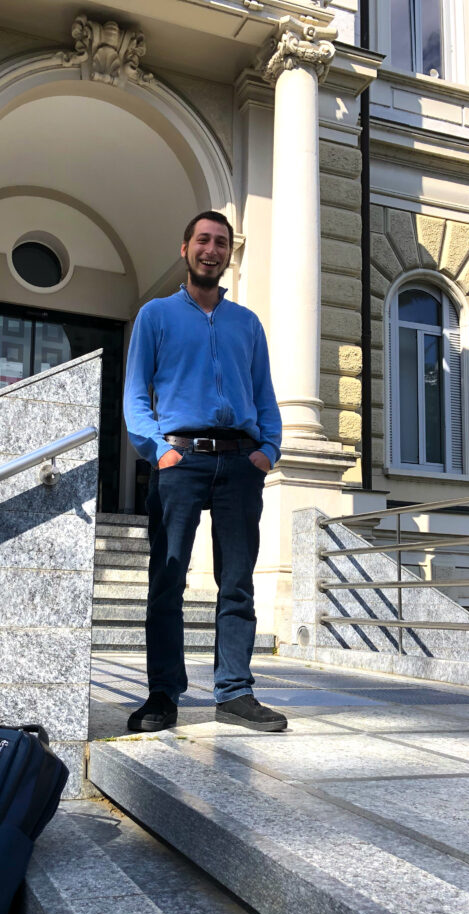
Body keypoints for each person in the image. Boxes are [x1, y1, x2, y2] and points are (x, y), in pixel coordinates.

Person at [123, 210, 287, 733]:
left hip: (241, 463)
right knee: (167, 580)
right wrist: (158, 450)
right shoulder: (155, 316)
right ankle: (162, 694)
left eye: (221, 242)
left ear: (228, 254)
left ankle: (235, 692)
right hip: (180, 460)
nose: (211, 249)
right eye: (203, 240)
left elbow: (263, 395)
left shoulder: (247, 323)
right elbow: (133, 393)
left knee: (237, 582)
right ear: (185, 248)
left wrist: (269, 450)